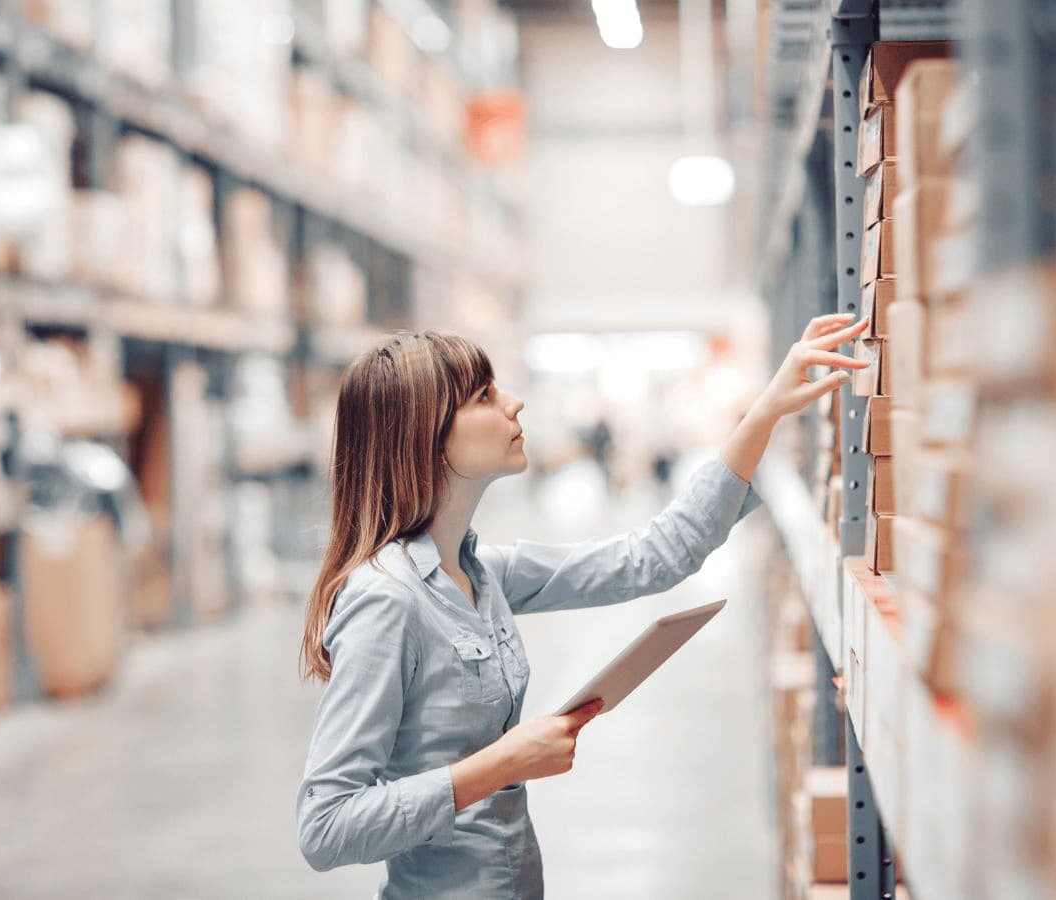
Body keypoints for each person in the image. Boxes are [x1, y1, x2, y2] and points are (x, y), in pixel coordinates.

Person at [296, 315, 870, 898]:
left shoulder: (483, 572)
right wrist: (505, 762)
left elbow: (654, 555)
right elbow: (326, 826)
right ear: (427, 435)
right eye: (485, 396)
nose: (514, 404)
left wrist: (765, 412)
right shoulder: (386, 600)